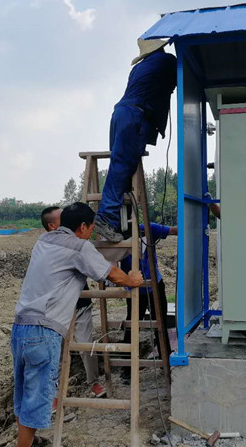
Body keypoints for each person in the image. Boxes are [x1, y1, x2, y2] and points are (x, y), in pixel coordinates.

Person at [11, 202, 143, 447]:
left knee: (24, 396)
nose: (91, 234)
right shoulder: (79, 247)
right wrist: (132, 279)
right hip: (43, 332)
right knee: (35, 401)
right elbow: (112, 274)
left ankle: (28, 441)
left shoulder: (44, 240)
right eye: (91, 229)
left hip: (20, 328)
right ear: (82, 226)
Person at [94, 39, 177, 243]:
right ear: (161, 48)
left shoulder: (139, 68)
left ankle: (120, 224)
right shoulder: (166, 61)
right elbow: (186, 74)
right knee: (122, 167)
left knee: (121, 168)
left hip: (120, 114)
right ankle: (106, 218)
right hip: (134, 115)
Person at [41, 206, 106, 398]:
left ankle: (94, 382)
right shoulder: (46, 247)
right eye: (62, 218)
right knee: (55, 349)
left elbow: (97, 267)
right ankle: (54, 394)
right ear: (52, 226)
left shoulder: (77, 244)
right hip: (57, 308)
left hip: (80, 305)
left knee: (86, 344)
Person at [120, 222, 177, 381]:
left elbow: (173, 230)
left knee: (161, 322)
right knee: (132, 325)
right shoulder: (120, 234)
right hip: (135, 289)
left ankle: (165, 359)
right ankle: (127, 367)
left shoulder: (149, 228)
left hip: (154, 285)